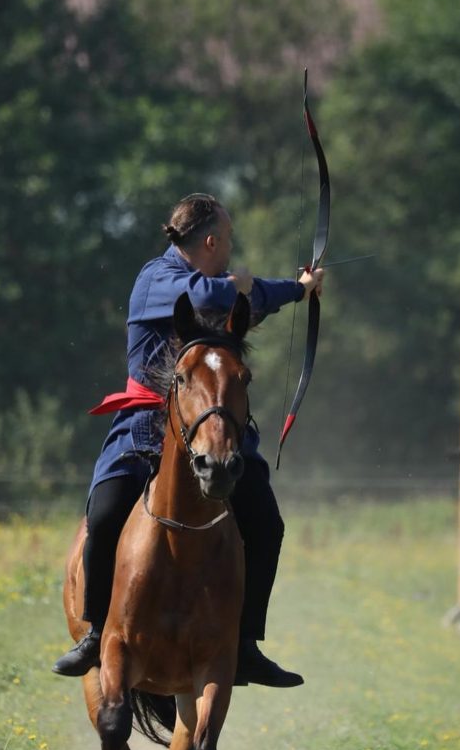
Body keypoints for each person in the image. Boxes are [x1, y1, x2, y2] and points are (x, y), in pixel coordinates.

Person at [53, 193, 324, 687]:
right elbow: (209, 296)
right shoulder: (157, 278)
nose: (231, 251)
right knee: (106, 512)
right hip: (145, 428)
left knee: (266, 522)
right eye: (229, 241)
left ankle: (245, 644)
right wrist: (255, 287)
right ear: (212, 241)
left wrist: (297, 291)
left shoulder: (213, 285)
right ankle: (95, 632)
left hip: (213, 427)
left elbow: (243, 303)